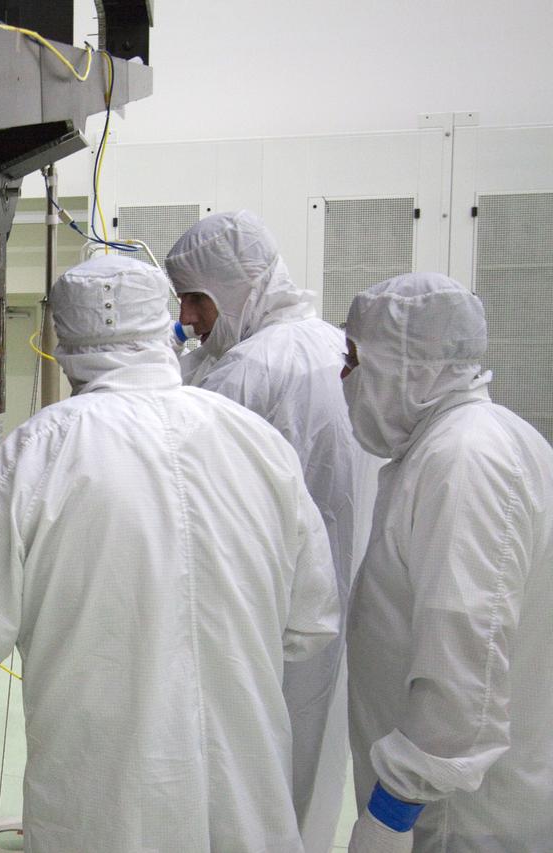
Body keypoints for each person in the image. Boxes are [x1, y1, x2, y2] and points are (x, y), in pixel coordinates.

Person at [0, 254, 340, 851]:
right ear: (163, 328)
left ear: (63, 342)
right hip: (250, 814)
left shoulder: (39, 453)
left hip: (109, 814)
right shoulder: (257, 443)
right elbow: (310, 624)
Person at [166, 210, 375, 846]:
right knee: (314, 749)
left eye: (198, 299)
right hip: (340, 597)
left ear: (239, 288)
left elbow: (186, 495)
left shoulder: (248, 370)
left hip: (258, 607)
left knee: (245, 764)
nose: (191, 317)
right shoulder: (332, 344)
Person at [341, 273, 553, 852]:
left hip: (457, 820)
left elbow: (465, 673)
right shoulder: (455, 446)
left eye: (355, 360)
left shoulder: (467, 460)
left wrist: (387, 817)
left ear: (408, 367)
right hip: (440, 808)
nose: (344, 378)